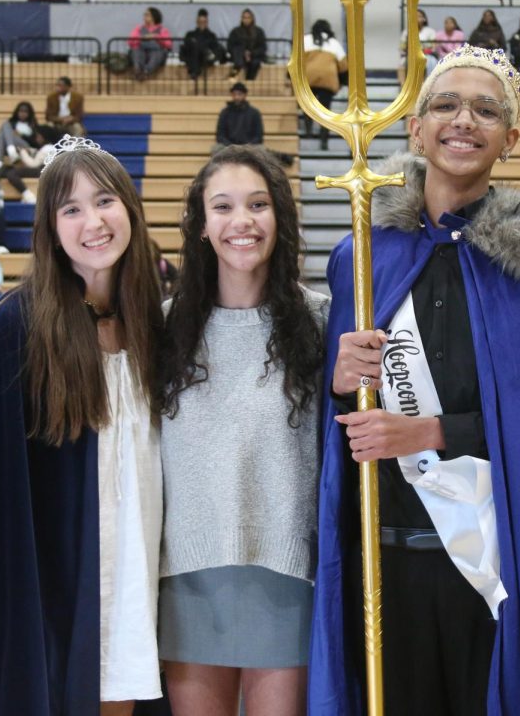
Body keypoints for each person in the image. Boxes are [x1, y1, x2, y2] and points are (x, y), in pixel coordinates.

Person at [312, 44, 520, 714]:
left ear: (509, 140)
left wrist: (431, 430)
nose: (465, 120)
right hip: (385, 562)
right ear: (416, 128)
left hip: (496, 566)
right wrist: (341, 382)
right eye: (447, 105)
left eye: (486, 110)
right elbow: (342, 420)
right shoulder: (363, 253)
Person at [0, 137, 166, 715]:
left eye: (105, 201)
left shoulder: (156, 322)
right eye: (71, 209)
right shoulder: (18, 326)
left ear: (129, 209)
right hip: (59, 579)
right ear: (50, 228)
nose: (94, 222)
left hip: (142, 559)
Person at [158, 145, 327, 716]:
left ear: (280, 216)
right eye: (223, 206)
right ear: (202, 226)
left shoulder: (322, 322)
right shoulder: (161, 328)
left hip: (286, 578)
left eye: (258, 204)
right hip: (185, 576)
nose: (242, 222)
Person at [214, 81, 295, 168]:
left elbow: (258, 137)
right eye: (234, 94)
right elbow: (220, 136)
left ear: (245, 95)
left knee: (260, 150)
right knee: (216, 149)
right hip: (230, 147)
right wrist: (233, 147)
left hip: (250, 147)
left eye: (239, 94)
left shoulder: (254, 113)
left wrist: (246, 147)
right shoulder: (224, 113)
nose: (236, 97)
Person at [302, 19, 346, 150]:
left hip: (308, 77)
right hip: (328, 78)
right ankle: (324, 140)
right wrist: (342, 83)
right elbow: (344, 66)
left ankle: (308, 129)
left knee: (308, 105)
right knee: (325, 110)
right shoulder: (334, 43)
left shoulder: (305, 39)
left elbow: (295, 60)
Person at [180, 8, 226, 81]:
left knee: (200, 46)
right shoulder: (190, 34)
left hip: (205, 58)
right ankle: (195, 71)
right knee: (195, 46)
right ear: (197, 22)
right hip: (193, 56)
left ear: (207, 22)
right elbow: (187, 46)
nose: (202, 24)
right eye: (200, 22)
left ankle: (194, 73)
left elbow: (214, 47)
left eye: (204, 22)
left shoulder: (211, 35)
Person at [128, 7, 171, 81]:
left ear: (154, 17)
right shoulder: (139, 28)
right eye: (144, 15)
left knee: (159, 53)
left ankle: (146, 72)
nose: (144, 17)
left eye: (147, 15)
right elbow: (130, 42)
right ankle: (138, 70)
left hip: (156, 51)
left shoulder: (163, 30)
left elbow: (168, 44)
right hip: (141, 49)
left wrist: (157, 37)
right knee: (136, 50)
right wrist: (142, 37)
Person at [227, 8, 267, 81]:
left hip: (254, 57)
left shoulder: (259, 31)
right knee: (238, 60)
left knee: (255, 63)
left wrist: (251, 54)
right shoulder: (235, 32)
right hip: (238, 57)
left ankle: (249, 81)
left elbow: (263, 47)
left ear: (252, 19)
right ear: (241, 19)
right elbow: (230, 46)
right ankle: (231, 78)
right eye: (244, 18)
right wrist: (243, 53)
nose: (246, 20)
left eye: (248, 17)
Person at [399, 8, 436, 77]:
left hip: (426, 55)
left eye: (419, 16)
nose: (416, 18)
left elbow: (433, 47)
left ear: (424, 19)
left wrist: (423, 51)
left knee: (430, 62)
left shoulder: (430, 31)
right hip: (410, 55)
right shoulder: (406, 31)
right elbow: (402, 47)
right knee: (402, 65)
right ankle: (404, 86)